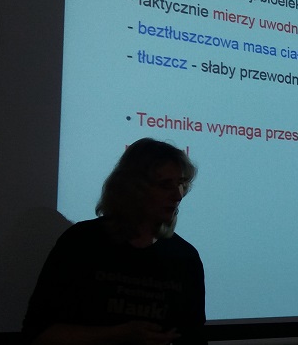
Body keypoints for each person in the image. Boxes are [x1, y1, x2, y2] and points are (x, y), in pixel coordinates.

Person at [22, 138, 206, 345]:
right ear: (133, 188)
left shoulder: (184, 257)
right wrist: (117, 334)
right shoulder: (81, 242)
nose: (178, 195)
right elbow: (38, 333)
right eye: (165, 185)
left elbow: (194, 339)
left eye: (181, 184)